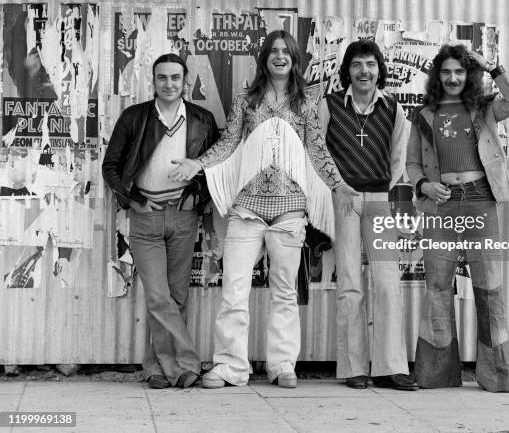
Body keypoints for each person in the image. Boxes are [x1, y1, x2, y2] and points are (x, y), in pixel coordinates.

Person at [172, 30, 357, 389]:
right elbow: (228, 143)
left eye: (285, 52)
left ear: (294, 59)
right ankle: (230, 367)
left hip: (290, 209)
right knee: (234, 289)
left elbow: (317, 150)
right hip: (247, 208)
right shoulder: (247, 99)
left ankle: (282, 365)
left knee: (285, 291)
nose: (279, 57)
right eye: (273, 51)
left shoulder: (305, 102)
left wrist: (339, 184)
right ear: (264, 59)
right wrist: (198, 164)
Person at [406, 44, 509, 392]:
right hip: (441, 205)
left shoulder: (484, 107)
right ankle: (436, 375)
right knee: (437, 288)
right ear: (437, 76)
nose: (453, 77)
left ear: (468, 74)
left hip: (480, 200)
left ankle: (496, 376)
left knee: (488, 287)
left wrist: (493, 67)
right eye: (446, 72)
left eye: (459, 71)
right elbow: (412, 163)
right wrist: (424, 185)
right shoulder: (424, 114)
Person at [102, 53, 219, 389]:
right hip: (146, 218)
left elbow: (214, 166)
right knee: (157, 296)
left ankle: (158, 367)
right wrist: (132, 201)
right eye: (162, 78)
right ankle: (188, 362)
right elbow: (111, 167)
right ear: (153, 81)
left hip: (183, 217)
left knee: (177, 296)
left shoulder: (202, 119)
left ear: (185, 81)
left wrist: (200, 197)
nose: (169, 84)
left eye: (175, 78)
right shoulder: (135, 117)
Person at [318, 40, 418, 391]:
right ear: (347, 70)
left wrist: (391, 198)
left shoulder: (393, 109)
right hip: (343, 199)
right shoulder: (329, 105)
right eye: (358, 64)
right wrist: (337, 185)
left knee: (389, 284)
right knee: (349, 283)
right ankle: (354, 367)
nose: (364, 71)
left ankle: (391, 366)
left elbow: (399, 158)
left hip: (380, 200)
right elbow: (317, 151)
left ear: (379, 70)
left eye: (371, 64)